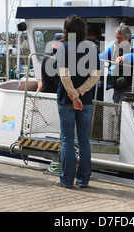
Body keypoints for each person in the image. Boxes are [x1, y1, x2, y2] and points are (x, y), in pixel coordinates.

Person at [55, 15, 100, 188]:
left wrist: (73, 96)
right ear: (83, 31)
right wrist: (80, 93)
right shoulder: (92, 48)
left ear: (66, 30)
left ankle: (66, 180)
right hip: (86, 100)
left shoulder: (63, 48)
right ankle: (83, 180)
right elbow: (95, 76)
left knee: (67, 140)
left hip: (67, 100)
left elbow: (64, 74)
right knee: (83, 141)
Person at [100, 23, 134, 104]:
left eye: (120, 38)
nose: (117, 40)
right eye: (116, 38)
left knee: (124, 106)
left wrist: (125, 57)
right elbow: (103, 56)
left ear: (127, 38)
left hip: (131, 84)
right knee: (117, 107)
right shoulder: (113, 46)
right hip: (117, 84)